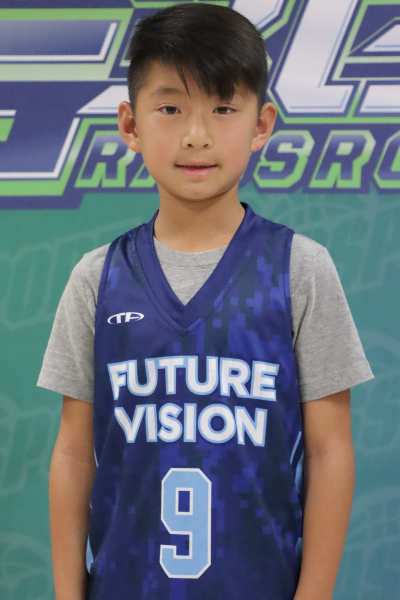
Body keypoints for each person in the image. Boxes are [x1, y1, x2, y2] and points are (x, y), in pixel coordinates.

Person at [37, 3, 374, 600]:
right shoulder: (98, 278)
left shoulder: (299, 269)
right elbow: (72, 452)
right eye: (171, 108)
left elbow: (330, 451)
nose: (197, 134)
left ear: (261, 124)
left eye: (223, 107)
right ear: (130, 125)